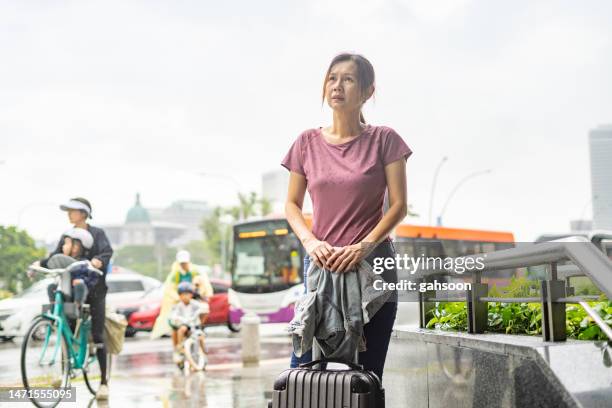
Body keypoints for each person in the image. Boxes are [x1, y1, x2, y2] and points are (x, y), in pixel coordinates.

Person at [282, 53, 412, 381]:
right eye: (332, 78)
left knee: (366, 377)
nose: (337, 86)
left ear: (368, 91)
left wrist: (364, 246)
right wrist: (310, 243)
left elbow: (398, 206)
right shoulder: (306, 143)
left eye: (348, 79)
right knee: (303, 374)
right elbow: (292, 205)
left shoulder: (385, 140)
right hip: (321, 267)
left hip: (372, 268)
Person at [33, 197, 114, 400]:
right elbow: (55, 256)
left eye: (73, 210)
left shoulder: (97, 233)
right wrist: (38, 264)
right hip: (69, 286)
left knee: (97, 334)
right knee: (65, 330)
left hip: (94, 289)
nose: (69, 214)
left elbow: (107, 252)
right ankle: (64, 373)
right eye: (68, 210)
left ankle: (103, 383)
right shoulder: (66, 235)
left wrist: (97, 261)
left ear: (84, 213)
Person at [151, 250, 213, 338]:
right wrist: (179, 298)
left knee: (204, 309)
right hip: (180, 300)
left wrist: (201, 293)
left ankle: (200, 327)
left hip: (193, 299)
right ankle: (178, 347)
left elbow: (203, 285)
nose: (184, 265)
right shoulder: (175, 274)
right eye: (182, 263)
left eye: (185, 263)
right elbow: (170, 289)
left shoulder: (195, 271)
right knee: (175, 325)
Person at [44, 227, 99, 312]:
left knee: (79, 286)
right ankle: (53, 305)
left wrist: (82, 280)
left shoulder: (83, 263)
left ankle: (77, 307)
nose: (63, 246)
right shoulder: (62, 261)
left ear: (76, 247)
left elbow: (92, 279)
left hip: (74, 293)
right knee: (51, 287)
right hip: (63, 290)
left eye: (66, 243)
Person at [169, 282, 209, 365]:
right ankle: (180, 348)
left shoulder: (195, 304)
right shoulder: (178, 306)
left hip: (195, 325)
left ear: (191, 295)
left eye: (187, 294)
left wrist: (203, 311)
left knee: (200, 337)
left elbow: (204, 308)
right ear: (179, 296)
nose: (185, 296)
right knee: (181, 329)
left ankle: (204, 354)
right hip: (185, 325)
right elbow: (173, 314)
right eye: (182, 294)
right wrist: (176, 318)